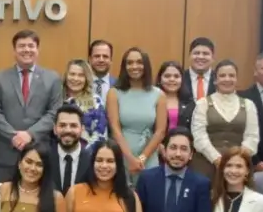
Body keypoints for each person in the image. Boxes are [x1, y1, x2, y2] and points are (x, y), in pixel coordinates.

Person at [0, 30, 62, 181]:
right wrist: (13, 136)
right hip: (5, 152)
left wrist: (30, 134)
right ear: (14, 50)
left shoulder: (52, 78)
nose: (26, 50)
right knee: (3, 199)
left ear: (37, 49)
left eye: (31, 46)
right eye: (21, 46)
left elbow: (54, 112)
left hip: (38, 150)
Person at [191, 60, 260, 178]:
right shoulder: (203, 104)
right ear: (215, 80)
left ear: (236, 79)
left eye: (231, 75)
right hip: (206, 165)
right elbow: (199, 137)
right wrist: (217, 159)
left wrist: (237, 160)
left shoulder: (249, 105)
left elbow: (252, 137)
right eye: (222, 75)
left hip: (238, 167)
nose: (227, 79)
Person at [106, 47, 166, 183]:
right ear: (124, 67)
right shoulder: (114, 93)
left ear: (146, 65)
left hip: (148, 156)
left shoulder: (159, 94)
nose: (134, 66)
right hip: (122, 154)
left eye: (139, 62)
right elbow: (115, 129)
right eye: (129, 63)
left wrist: (142, 158)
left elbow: (160, 131)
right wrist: (130, 159)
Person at [61, 59, 107, 145]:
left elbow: (100, 135)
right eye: (72, 74)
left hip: (87, 153)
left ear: (87, 79)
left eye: (81, 75)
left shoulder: (95, 101)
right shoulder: (56, 99)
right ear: (66, 76)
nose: (75, 78)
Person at [156, 61, 195, 133]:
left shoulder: (190, 103)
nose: (172, 79)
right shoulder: (152, 100)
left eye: (176, 76)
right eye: (167, 76)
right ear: (160, 79)